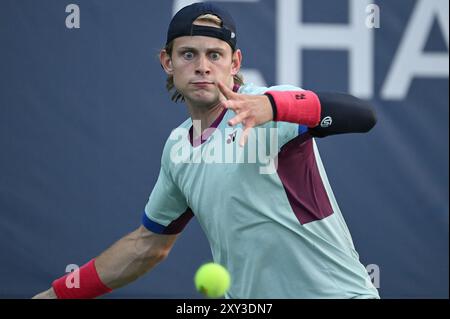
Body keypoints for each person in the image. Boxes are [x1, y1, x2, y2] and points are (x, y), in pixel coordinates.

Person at [33, 2, 379, 299]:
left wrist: (274, 107)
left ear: (235, 62)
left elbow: (364, 116)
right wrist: (58, 293)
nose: (202, 66)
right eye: (188, 54)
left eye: (215, 54)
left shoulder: (274, 106)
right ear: (167, 63)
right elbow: (146, 247)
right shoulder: (178, 149)